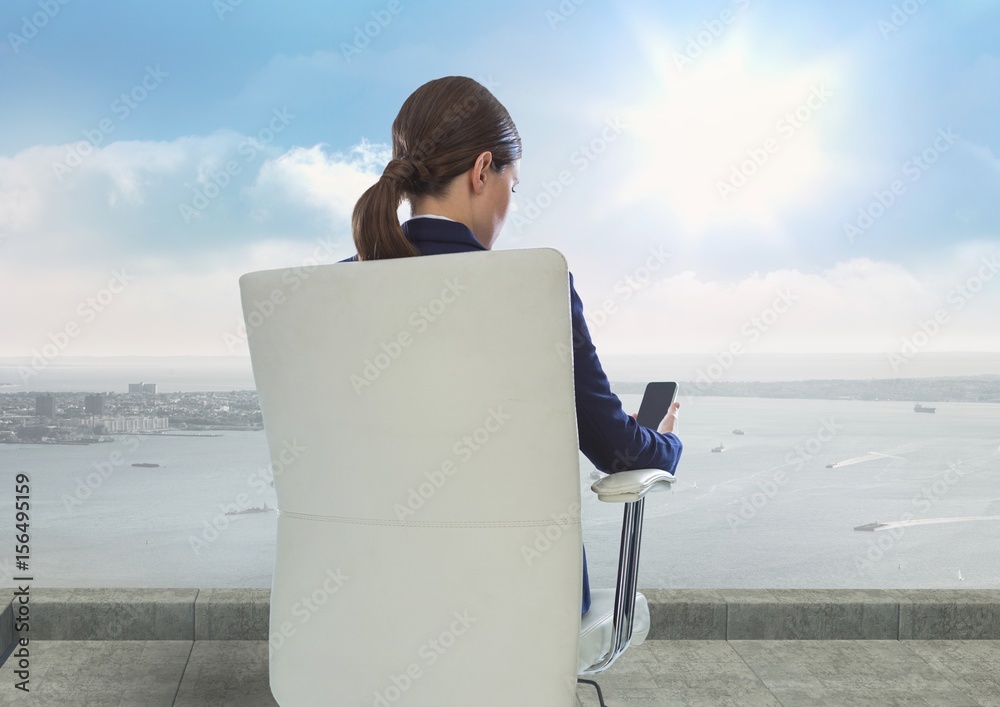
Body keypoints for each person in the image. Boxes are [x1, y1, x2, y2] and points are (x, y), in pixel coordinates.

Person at [341, 76, 682, 615]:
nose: (509, 200)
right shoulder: (535, 289)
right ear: (482, 171)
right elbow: (618, 452)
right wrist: (662, 442)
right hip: (524, 608)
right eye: (512, 184)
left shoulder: (334, 292)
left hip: (367, 600)